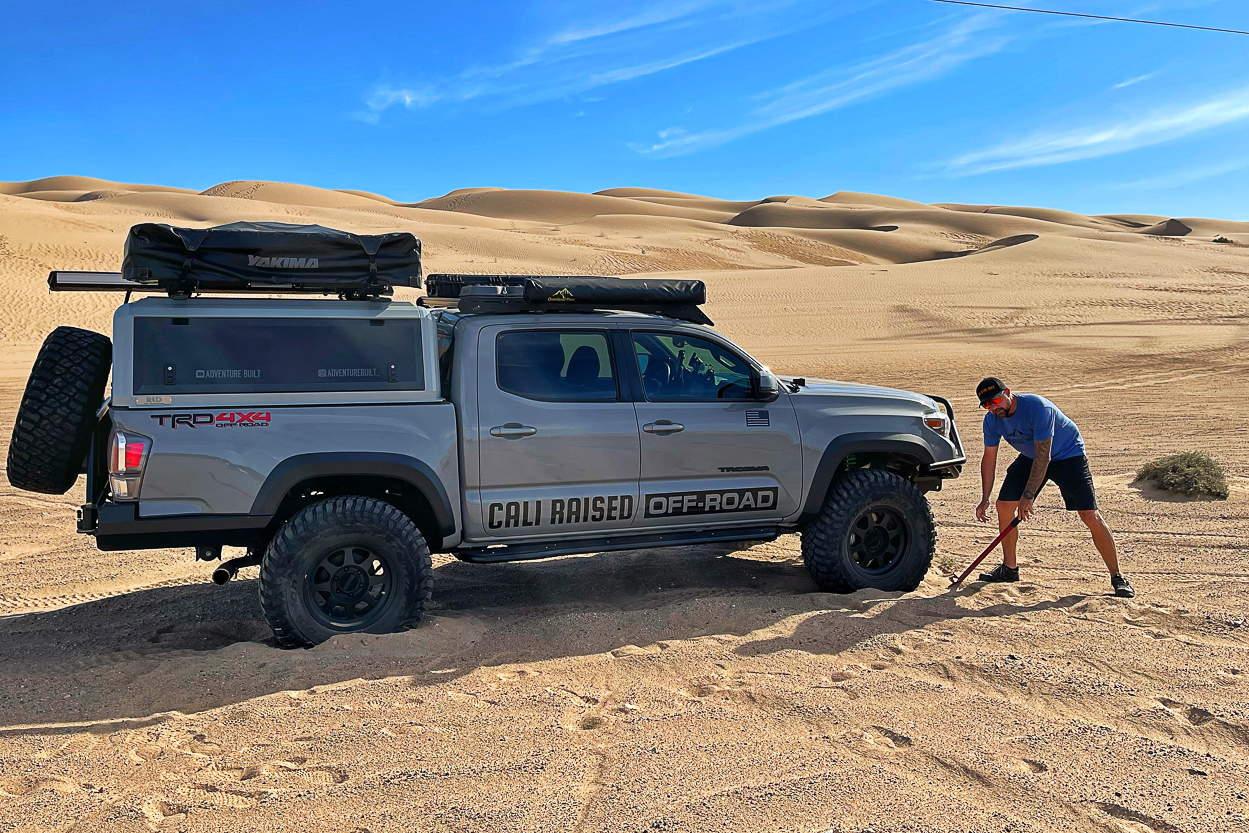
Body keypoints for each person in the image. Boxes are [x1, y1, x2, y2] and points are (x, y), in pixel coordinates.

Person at [973, 377, 1135, 598]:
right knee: (1003, 506)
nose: (994, 407)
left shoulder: (1038, 408)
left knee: (1089, 514)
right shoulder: (992, 421)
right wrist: (985, 498)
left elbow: (1044, 456)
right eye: (988, 405)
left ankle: (1117, 577)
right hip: (1032, 456)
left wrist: (1028, 495)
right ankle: (1009, 569)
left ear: (1008, 393)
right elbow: (989, 459)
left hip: (1068, 455)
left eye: (997, 400)